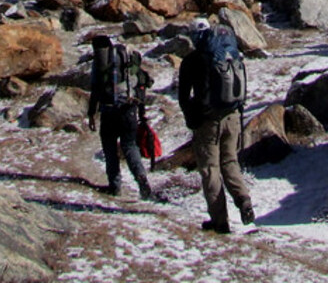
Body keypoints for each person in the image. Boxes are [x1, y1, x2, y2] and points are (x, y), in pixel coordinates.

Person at [178, 18, 254, 233]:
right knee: (230, 161)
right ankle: (244, 200)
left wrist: (192, 118)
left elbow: (183, 96)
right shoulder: (229, 53)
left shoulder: (191, 60)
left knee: (210, 169)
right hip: (232, 116)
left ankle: (220, 221)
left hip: (208, 122)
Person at [87, 34, 162, 202]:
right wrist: (141, 112)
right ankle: (141, 177)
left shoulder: (100, 62)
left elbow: (95, 89)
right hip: (129, 108)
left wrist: (91, 113)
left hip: (109, 111)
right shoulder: (125, 57)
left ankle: (114, 186)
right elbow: (142, 82)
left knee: (109, 147)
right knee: (130, 146)